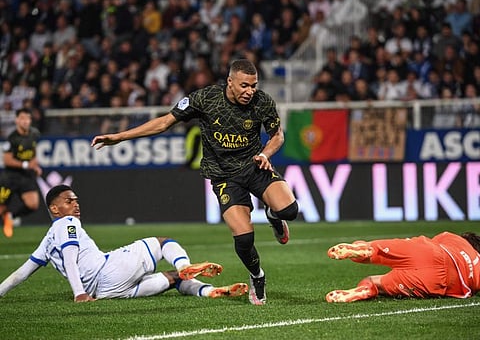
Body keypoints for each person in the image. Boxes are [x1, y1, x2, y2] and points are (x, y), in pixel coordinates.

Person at [91, 59, 299, 306]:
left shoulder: (262, 101)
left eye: (253, 85)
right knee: (244, 239)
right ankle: (257, 276)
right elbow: (164, 122)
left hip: (255, 166)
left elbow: (277, 135)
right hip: (224, 177)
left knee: (290, 210)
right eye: (244, 85)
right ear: (230, 81)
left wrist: (265, 154)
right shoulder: (204, 99)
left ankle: (274, 217)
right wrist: (120, 137)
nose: (249, 91)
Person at [0, 185, 248, 302]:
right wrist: (79, 294)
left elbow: (22, 272)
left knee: (174, 280)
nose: (76, 204)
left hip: (107, 292)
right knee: (163, 242)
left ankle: (209, 291)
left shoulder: (47, 240)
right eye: (68, 201)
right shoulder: (67, 224)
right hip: (107, 271)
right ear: (54, 209)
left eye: (76, 200)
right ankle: (186, 264)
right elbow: (69, 258)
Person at [325, 231, 480, 303]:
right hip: (435, 283)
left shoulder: (454, 238)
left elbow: (435, 242)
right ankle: (369, 287)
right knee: (374, 282)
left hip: (430, 253)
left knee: (373, 250)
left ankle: (362, 248)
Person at [1, 108, 42, 238]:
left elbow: (33, 152)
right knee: (1, 207)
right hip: (10, 176)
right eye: (22, 118)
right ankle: (5, 214)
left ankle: (11, 216)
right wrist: (25, 164)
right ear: (17, 120)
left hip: (26, 176)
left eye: (27, 118)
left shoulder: (34, 134)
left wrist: (35, 166)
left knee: (33, 204)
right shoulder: (11, 138)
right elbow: (7, 160)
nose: (25, 121)